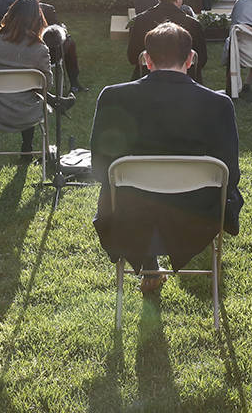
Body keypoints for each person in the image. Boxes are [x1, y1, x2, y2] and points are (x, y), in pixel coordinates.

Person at [90, 21, 242, 295]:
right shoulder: (218, 104)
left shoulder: (113, 97)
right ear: (191, 59)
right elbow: (230, 174)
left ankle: (149, 261)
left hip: (129, 215)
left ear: (146, 60)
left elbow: (100, 168)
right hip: (198, 218)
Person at [0, 0, 55, 156]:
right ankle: (27, 145)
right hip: (26, 112)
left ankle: (27, 145)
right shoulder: (39, 50)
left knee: (25, 96)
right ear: (37, 20)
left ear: (10, 14)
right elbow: (47, 85)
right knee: (28, 97)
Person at [9, 0, 88, 92]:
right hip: (44, 54)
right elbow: (56, 35)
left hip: (15, 53)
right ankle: (74, 83)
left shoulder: (12, 10)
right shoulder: (46, 9)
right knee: (70, 42)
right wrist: (63, 30)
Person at [126, 0, 208, 83]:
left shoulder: (141, 21)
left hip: (147, 81)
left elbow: (132, 57)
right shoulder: (192, 24)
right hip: (185, 83)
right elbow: (201, 60)